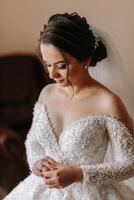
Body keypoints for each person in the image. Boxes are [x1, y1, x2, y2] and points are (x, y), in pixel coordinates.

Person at [3, 12, 134, 200]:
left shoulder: (108, 102)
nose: (52, 74)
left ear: (86, 60)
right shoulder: (46, 93)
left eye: (61, 66)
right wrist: (38, 163)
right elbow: (33, 143)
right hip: (40, 191)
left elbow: (130, 163)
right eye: (47, 64)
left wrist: (79, 174)